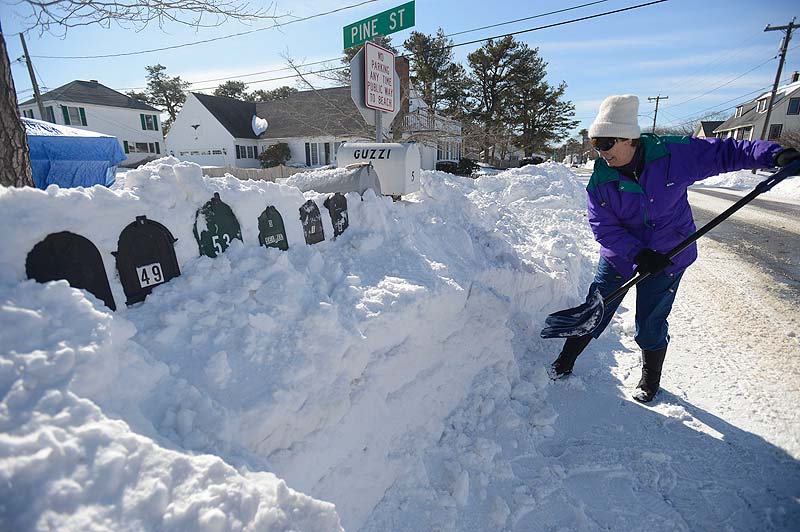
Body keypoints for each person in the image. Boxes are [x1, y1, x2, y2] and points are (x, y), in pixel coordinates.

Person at [548, 94, 800, 402]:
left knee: (650, 323)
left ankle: (649, 380)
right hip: (621, 257)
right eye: (595, 145)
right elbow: (604, 227)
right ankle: (566, 359)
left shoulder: (673, 155)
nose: (600, 153)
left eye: (605, 144)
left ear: (629, 139)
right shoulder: (600, 181)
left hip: (670, 253)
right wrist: (637, 253)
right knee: (595, 308)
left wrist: (774, 155)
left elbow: (726, 151)